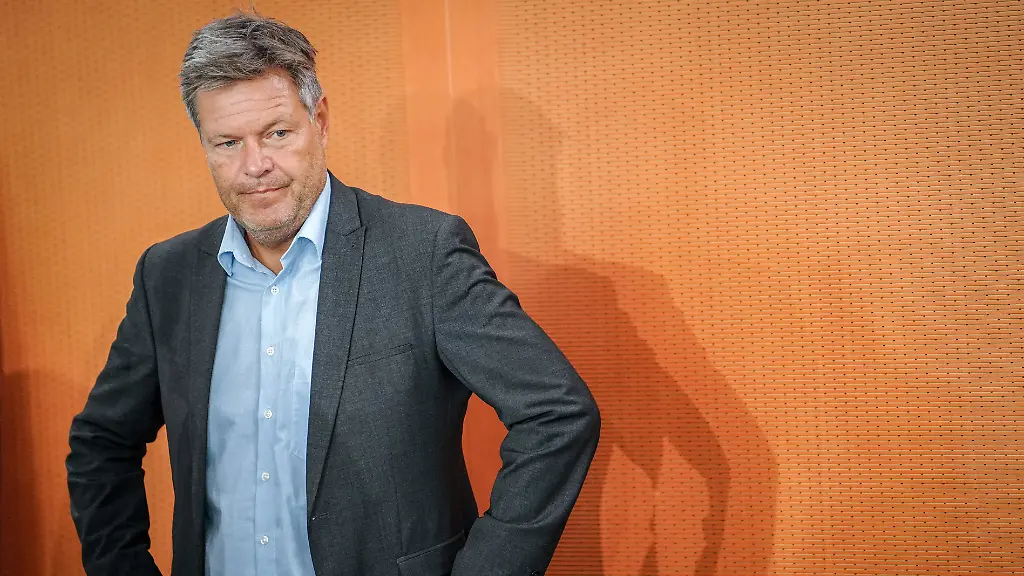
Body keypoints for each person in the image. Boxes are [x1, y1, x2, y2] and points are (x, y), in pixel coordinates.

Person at [65, 12, 599, 576]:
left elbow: (556, 413)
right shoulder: (167, 275)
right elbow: (102, 441)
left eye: (277, 133)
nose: (255, 166)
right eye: (228, 142)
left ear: (319, 121)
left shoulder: (422, 252)